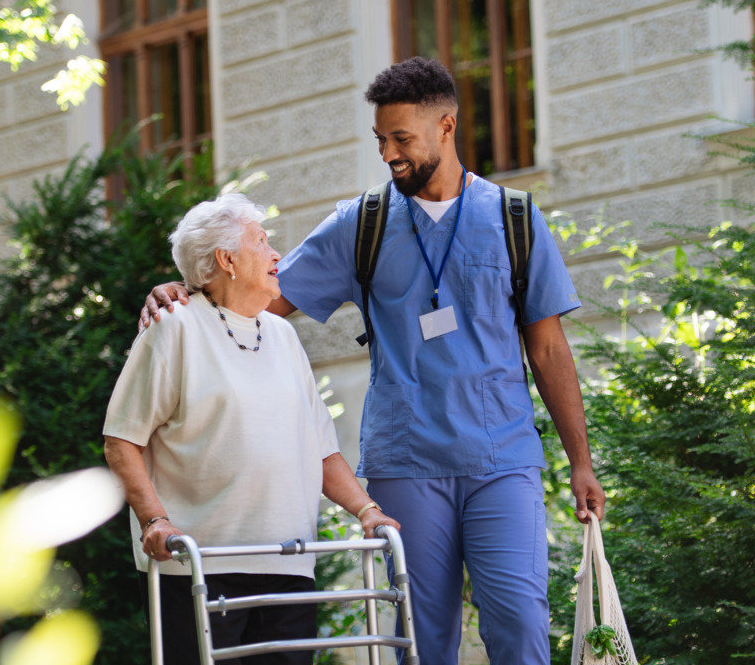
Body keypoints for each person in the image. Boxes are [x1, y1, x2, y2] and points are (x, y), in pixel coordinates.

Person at [139, 57, 605, 665]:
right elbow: (262, 297)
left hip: (501, 459)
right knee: (421, 637)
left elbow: (547, 348)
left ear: (446, 126)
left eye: (402, 138)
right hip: (406, 464)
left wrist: (581, 461)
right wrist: (188, 294)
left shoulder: (514, 220)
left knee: (520, 627)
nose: (389, 153)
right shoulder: (362, 224)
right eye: (381, 140)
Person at [104, 193, 400, 665]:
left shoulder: (282, 335)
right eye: (261, 242)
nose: (276, 254)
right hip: (197, 566)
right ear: (227, 260)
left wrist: (366, 510)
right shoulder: (173, 328)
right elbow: (122, 440)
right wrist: (154, 519)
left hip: (287, 561)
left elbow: (320, 449)